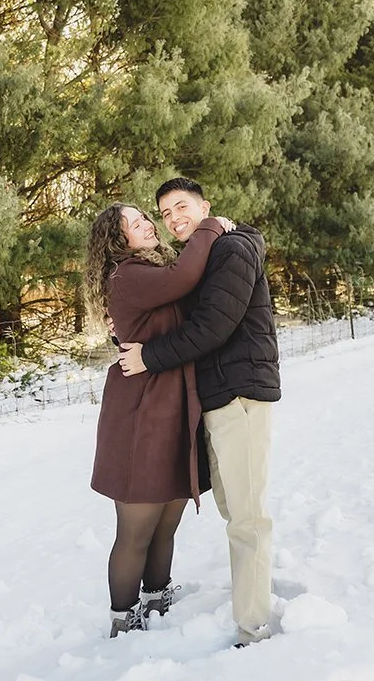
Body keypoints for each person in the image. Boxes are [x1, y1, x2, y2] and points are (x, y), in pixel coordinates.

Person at [119, 178, 281, 646]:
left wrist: (148, 357)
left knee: (248, 517)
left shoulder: (231, 249)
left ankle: (255, 627)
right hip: (218, 396)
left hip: (242, 392)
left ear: (206, 207)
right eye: (164, 213)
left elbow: (212, 327)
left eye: (181, 206)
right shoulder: (201, 255)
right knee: (236, 511)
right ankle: (253, 599)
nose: (172, 218)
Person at [85, 202, 231, 637]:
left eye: (144, 218)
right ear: (116, 239)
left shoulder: (151, 268)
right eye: (133, 223)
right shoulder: (126, 273)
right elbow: (182, 277)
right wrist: (208, 227)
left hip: (173, 401)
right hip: (140, 410)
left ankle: (157, 595)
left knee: (168, 514)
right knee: (137, 528)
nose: (146, 224)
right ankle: (123, 618)